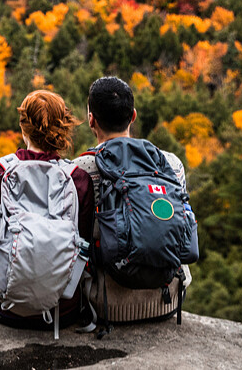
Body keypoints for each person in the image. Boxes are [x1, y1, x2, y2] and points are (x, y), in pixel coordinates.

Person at [75, 76, 191, 326]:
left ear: (91, 119)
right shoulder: (171, 165)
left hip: (106, 305)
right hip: (167, 301)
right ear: (134, 116)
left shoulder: (79, 170)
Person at [0, 89, 93, 329]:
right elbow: (83, 249)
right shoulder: (78, 179)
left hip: (3, 307)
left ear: (23, 127)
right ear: (62, 128)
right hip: (62, 308)